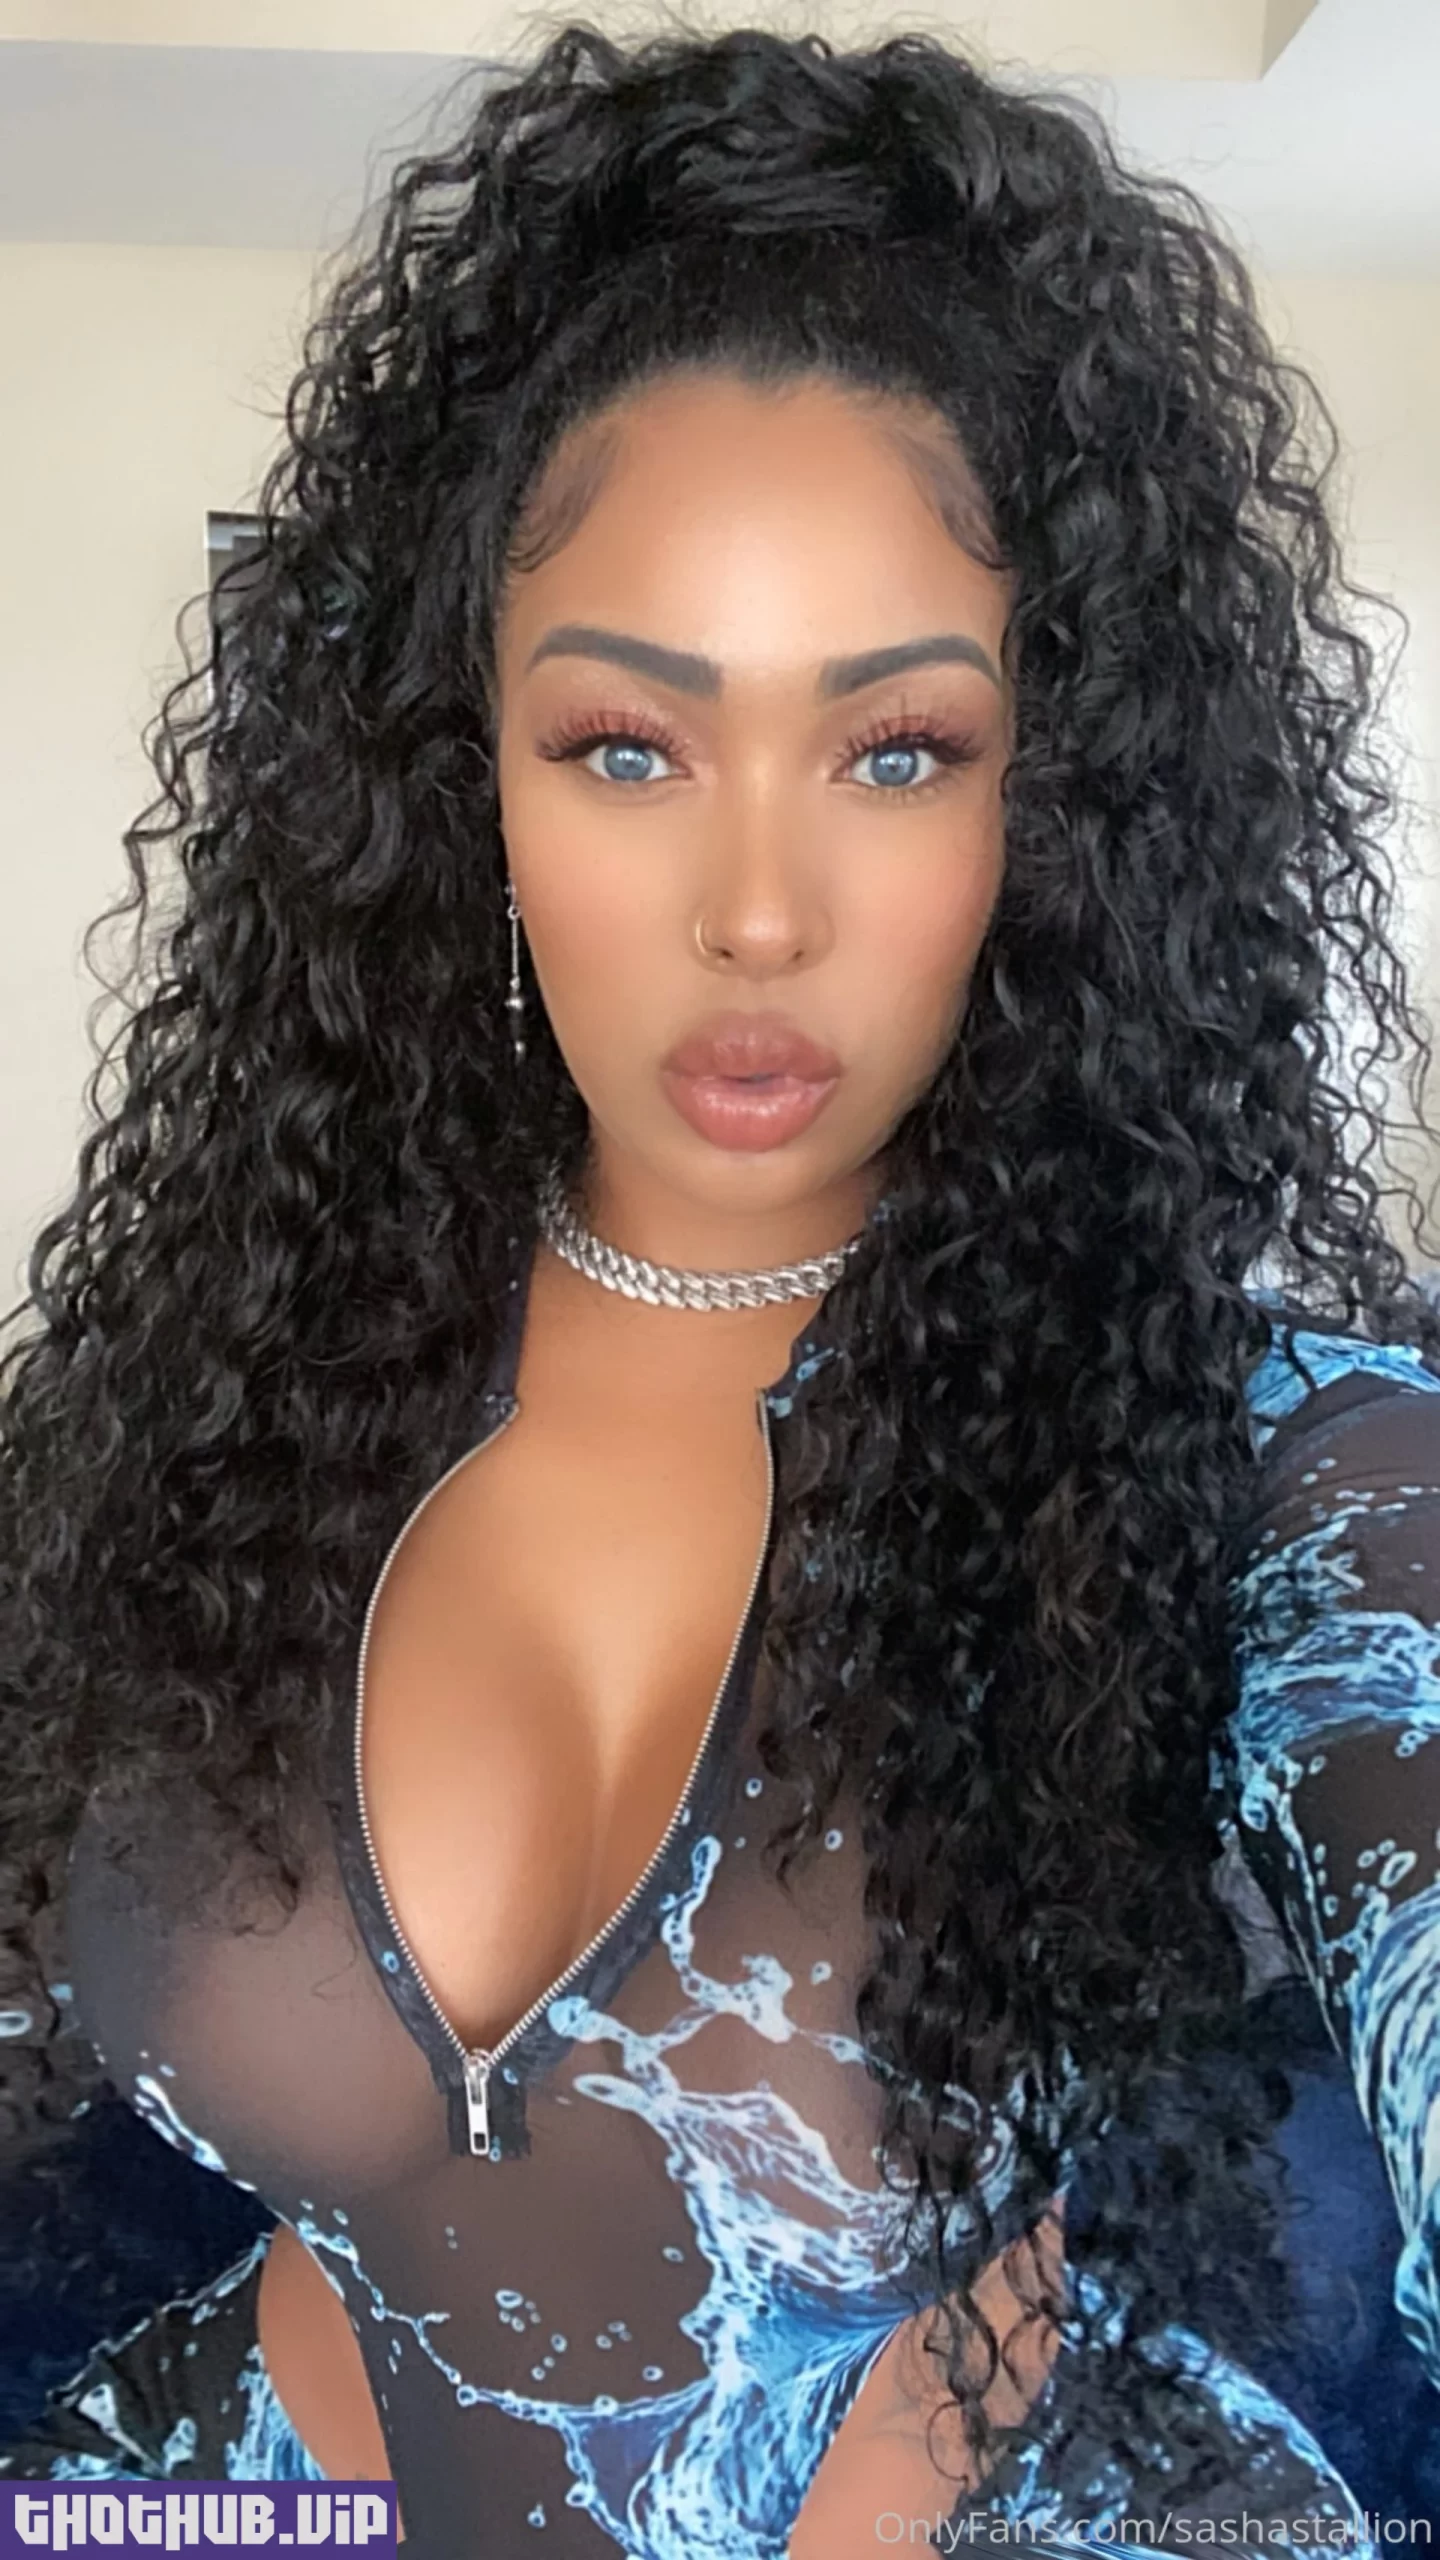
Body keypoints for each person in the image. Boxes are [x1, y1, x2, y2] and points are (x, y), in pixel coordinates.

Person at [2, 19, 1440, 2556]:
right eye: (625, 745)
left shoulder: (1280, 1470)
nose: (757, 910)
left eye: (896, 751)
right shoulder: (190, 1416)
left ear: (1058, 804)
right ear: (463, 779)